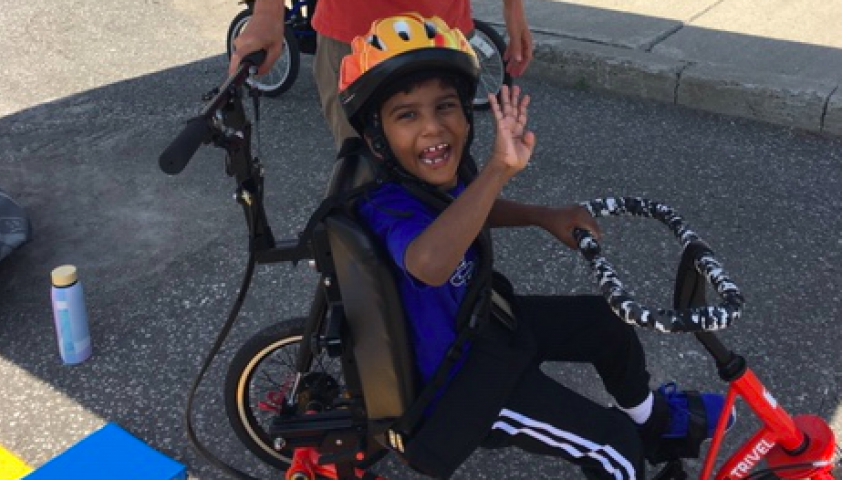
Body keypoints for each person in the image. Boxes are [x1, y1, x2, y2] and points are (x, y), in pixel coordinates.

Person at [337, 13, 735, 479]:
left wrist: (543, 216)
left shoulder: (431, 177)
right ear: (376, 138)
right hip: (459, 387)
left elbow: (471, 210)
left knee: (605, 324)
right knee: (614, 450)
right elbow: (429, 264)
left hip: (484, 327)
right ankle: (632, 442)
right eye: (407, 115)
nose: (433, 128)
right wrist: (498, 170)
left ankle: (651, 422)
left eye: (446, 107)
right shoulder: (388, 206)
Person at [228, 0, 533, 149]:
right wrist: (268, 13)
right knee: (363, 174)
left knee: (445, 169)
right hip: (354, 37)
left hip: (443, 32)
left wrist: (514, 9)